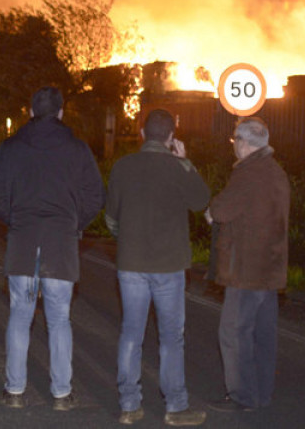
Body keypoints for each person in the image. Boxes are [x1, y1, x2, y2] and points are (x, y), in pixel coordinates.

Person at [0, 86, 105, 411]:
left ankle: (14, 391)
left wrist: (16, 219)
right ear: (61, 112)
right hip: (61, 247)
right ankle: (62, 394)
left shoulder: (11, 148)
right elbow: (96, 195)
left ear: (30, 111)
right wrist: (72, 222)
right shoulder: (78, 149)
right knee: (60, 320)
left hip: (23, 244)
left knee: (20, 317)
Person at [105, 109, 210, 426]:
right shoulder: (177, 167)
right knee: (170, 338)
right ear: (172, 137)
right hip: (169, 265)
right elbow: (201, 200)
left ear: (141, 134)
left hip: (131, 264)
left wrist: (127, 239)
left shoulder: (123, 166)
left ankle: (129, 405)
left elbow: (111, 217)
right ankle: (176, 407)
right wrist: (186, 161)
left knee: (131, 334)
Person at [206, 117, 290, 413]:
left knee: (234, 333)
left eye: (234, 142)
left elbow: (222, 209)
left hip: (246, 271)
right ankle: (261, 394)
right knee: (264, 335)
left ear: (243, 142)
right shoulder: (277, 173)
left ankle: (242, 395)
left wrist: (212, 211)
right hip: (271, 270)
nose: (234, 147)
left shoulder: (248, 174)